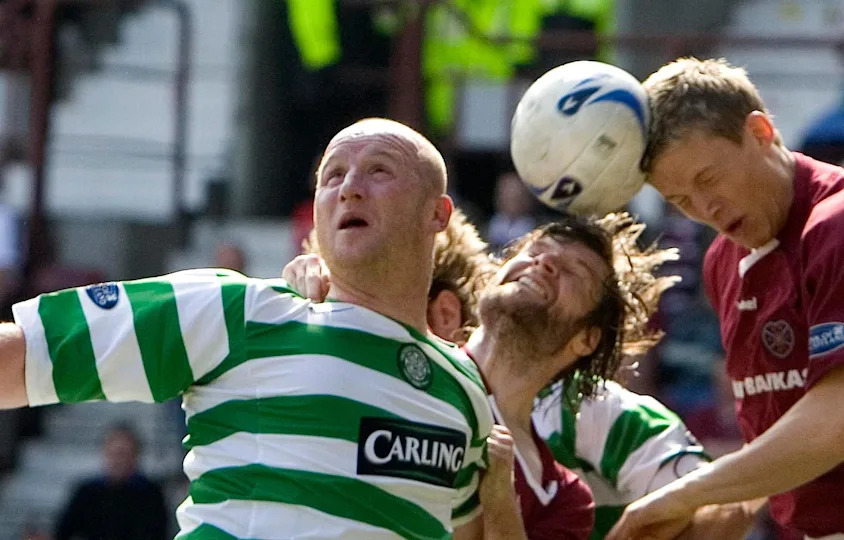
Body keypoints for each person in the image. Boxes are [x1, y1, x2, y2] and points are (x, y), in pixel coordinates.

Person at [0, 118, 494, 539]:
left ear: (438, 213)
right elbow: (23, 358)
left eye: (379, 170)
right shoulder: (238, 311)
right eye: (333, 175)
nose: (350, 187)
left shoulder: (464, 388)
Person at [607, 57, 844, 539]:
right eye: (680, 200)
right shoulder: (723, 262)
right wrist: (735, 505)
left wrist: (692, 491)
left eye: (708, 179)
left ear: (760, 131)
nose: (704, 208)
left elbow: (841, 424)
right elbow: (787, 425)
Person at [286, 210, 758, 540]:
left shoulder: (564, 499)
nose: (544, 261)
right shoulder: (402, 361)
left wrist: (498, 500)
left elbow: (732, 507)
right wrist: (306, 304)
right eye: (533, 251)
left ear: (585, 340)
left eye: (574, 269)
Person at [55, 423, 168, 540]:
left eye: (123, 454)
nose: (118, 461)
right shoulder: (87, 492)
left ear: (135, 456)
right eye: (114, 454)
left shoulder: (150, 494)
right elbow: (64, 531)